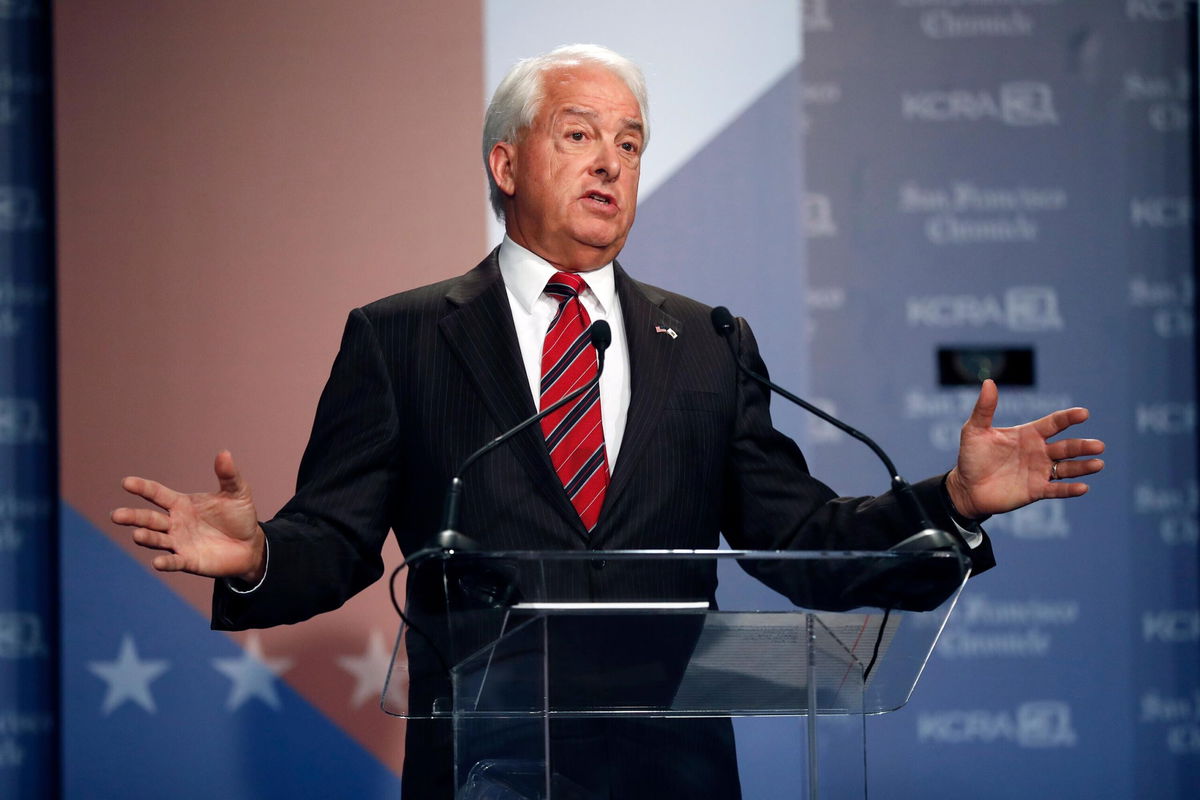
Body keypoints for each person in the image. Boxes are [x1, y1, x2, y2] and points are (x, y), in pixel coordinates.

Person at [112, 44, 1105, 798]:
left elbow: (799, 538)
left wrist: (954, 501)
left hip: (672, 768)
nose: (610, 162)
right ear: (506, 162)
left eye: (629, 142)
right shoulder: (403, 338)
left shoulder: (708, 340)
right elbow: (332, 539)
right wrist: (255, 556)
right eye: (579, 134)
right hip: (487, 768)